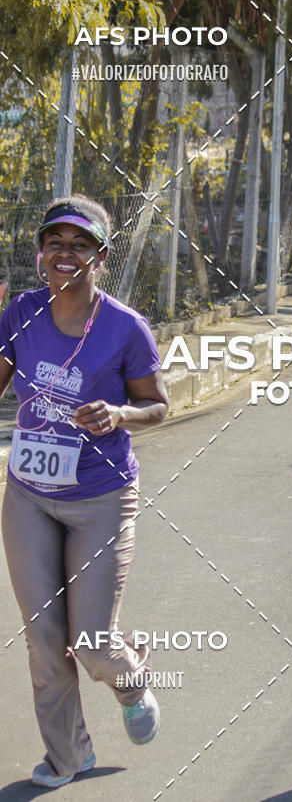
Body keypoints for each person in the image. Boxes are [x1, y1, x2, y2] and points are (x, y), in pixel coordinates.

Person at [0, 197, 169, 787]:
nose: (65, 254)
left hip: (100, 499)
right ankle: (69, 756)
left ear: (101, 257)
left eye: (80, 244)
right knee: (46, 644)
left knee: (92, 645)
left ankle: (130, 679)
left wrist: (121, 414)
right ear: (41, 253)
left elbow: (158, 406)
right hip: (27, 496)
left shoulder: (125, 327)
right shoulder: (19, 311)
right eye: (55, 243)